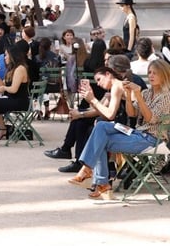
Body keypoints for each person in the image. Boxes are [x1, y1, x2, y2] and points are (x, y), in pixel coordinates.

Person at [70, 60, 170, 199]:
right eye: (149, 72)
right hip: (139, 134)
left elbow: (150, 119)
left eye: (155, 73)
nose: (151, 75)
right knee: (100, 127)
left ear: (164, 75)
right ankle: (94, 176)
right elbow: (132, 113)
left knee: (100, 138)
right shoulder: (147, 93)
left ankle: (99, 181)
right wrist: (129, 95)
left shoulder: (166, 97)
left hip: (152, 140)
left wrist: (138, 96)